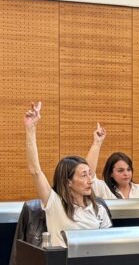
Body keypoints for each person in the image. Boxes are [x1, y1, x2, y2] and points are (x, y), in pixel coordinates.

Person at [24, 102, 112, 248]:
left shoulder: (98, 209)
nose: (90, 180)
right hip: (62, 261)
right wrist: (30, 128)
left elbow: (108, 245)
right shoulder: (55, 203)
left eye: (89, 175)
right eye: (83, 176)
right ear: (68, 182)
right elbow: (35, 170)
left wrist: (97, 143)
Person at [86, 123, 139, 199]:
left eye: (128, 169)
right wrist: (97, 143)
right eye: (120, 170)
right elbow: (88, 174)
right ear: (111, 173)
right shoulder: (104, 189)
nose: (126, 174)